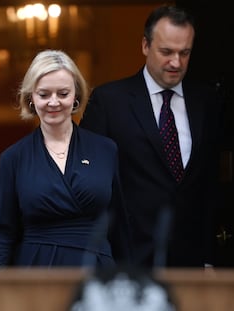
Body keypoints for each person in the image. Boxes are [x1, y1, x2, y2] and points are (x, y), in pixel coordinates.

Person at [80, 6, 222, 267]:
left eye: (185, 53)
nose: (176, 62)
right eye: (166, 52)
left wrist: (209, 259)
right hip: (128, 261)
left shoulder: (207, 102)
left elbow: (210, 186)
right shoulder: (109, 101)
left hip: (190, 263)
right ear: (145, 45)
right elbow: (91, 186)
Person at [0, 49, 131, 267]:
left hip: (96, 274)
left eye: (63, 93)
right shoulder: (13, 158)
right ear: (31, 98)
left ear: (76, 97)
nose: (53, 102)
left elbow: (120, 227)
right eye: (44, 94)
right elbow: (1, 235)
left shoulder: (105, 150)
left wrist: (128, 283)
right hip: (37, 274)